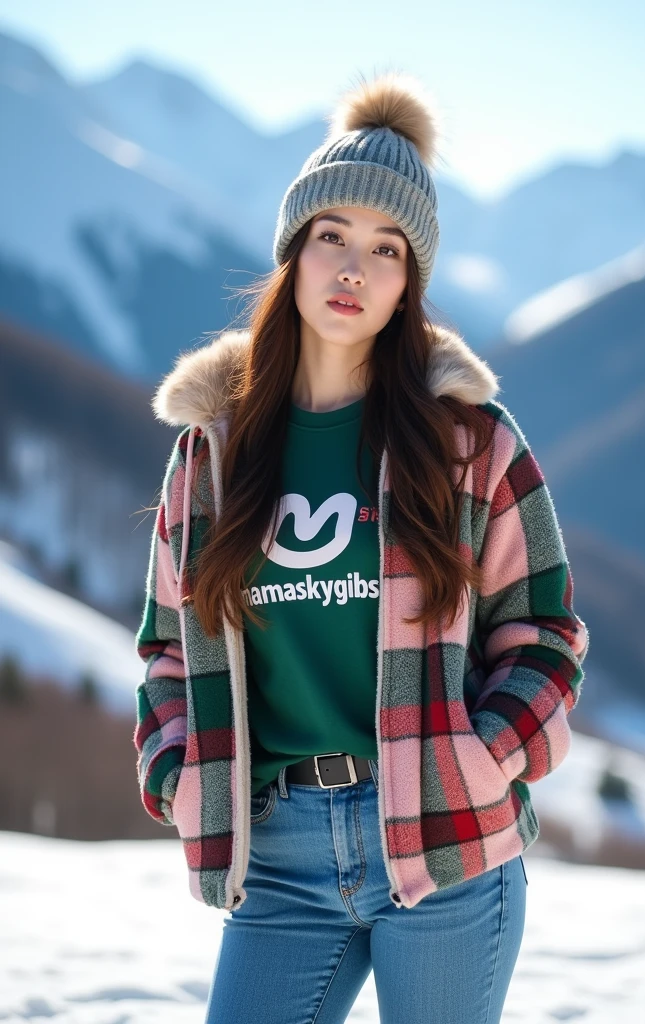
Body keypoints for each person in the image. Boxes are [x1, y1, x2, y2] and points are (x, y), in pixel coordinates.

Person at [134, 70, 590, 1024]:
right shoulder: (210, 457)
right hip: (280, 855)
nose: (353, 268)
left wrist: (484, 756)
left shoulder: (472, 444)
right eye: (332, 235)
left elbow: (544, 634)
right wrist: (179, 778)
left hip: (446, 842)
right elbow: (167, 652)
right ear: (293, 253)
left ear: (408, 283)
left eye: (385, 250)